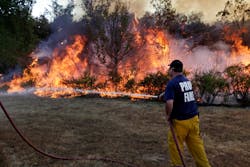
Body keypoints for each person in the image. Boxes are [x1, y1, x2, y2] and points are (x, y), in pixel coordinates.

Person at [159, 60, 211, 167]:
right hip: (194, 120)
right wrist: (165, 94)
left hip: (180, 122)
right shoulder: (187, 81)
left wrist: (168, 115)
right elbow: (180, 92)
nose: (169, 71)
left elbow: (169, 103)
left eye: (170, 69)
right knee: (197, 148)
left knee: (176, 147)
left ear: (172, 69)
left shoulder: (171, 83)